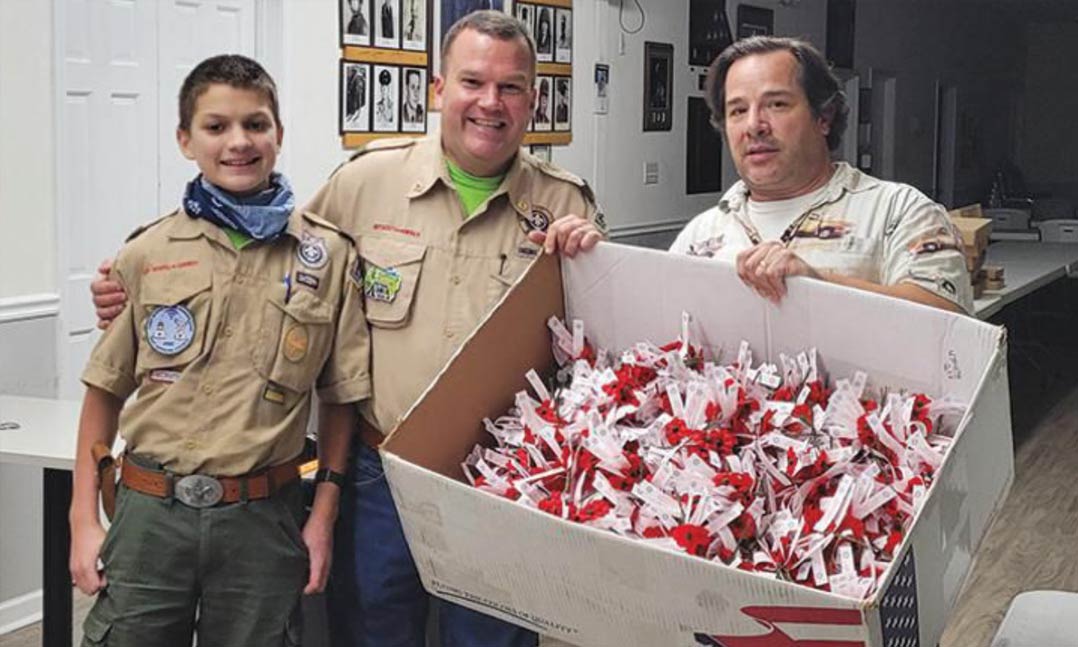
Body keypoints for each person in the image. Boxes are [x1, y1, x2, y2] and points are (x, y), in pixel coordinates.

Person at [91, 10, 606, 647]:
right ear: (437, 90)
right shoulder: (365, 184)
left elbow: (599, 355)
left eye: (511, 87)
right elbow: (264, 257)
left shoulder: (568, 208)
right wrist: (137, 287)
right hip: (378, 472)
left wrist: (596, 258)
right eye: (472, 82)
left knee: (493, 639)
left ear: (535, 98)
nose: (490, 103)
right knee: (371, 631)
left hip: (502, 485)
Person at [70, 54, 369, 646]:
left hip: (262, 518)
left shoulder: (329, 257)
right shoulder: (147, 253)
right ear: (185, 140)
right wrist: (83, 519)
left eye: (256, 124)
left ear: (278, 134)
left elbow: (341, 401)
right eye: (216, 126)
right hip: (150, 514)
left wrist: (323, 519)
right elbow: (104, 391)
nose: (239, 142)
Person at [670, 36, 973, 313]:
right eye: (737, 111)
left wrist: (818, 284)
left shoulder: (899, 212)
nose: (754, 125)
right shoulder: (701, 235)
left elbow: (950, 326)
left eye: (776, 104)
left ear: (824, 117)